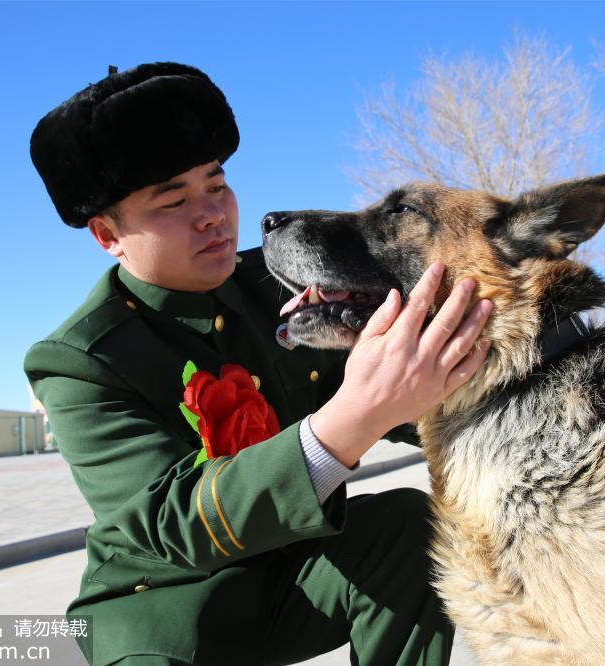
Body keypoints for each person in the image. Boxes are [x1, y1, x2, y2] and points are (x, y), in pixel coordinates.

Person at [24, 62, 492, 666]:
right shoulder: (81, 360)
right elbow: (177, 524)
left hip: (295, 576)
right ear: (107, 235)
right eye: (174, 201)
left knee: (407, 524)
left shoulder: (275, 284)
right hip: (170, 612)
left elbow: (412, 382)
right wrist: (355, 415)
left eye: (216, 185)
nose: (211, 214)